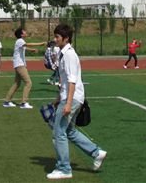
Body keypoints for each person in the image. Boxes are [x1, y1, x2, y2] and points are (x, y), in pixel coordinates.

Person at [46, 23, 107, 180]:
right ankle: (96, 153)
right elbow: (65, 81)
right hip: (70, 97)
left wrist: (67, 103)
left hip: (71, 98)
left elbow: (72, 80)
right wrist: (58, 99)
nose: (55, 39)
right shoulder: (64, 54)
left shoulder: (69, 55)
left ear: (66, 38)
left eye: (57, 37)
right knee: (69, 131)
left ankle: (64, 168)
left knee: (58, 132)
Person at [3, 28, 46, 109]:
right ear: (21, 34)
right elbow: (28, 44)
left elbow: (25, 48)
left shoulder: (20, 42)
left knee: (17, 84)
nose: (26, 32)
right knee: (28, 83)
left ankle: (7, 101)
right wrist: (41, 44)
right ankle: (24, 102)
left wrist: (32, 50)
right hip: (20, 65)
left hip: (18, 64)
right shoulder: (20, 41)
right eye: (24, 32)